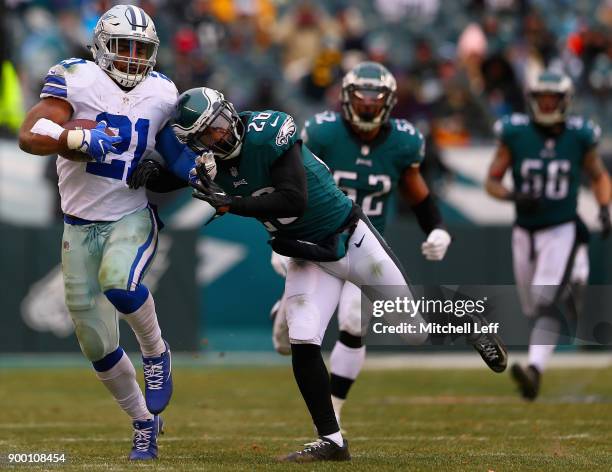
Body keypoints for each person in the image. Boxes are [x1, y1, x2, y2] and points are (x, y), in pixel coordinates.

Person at [130, 86, 507, 462]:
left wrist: (234, 203)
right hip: (307, 256)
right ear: (195, 142)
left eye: (221, 124)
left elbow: (295, 198)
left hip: (350, 237)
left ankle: (462, 320)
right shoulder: (207, 162)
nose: (220, 134)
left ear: (230, 112)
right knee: (304, 337)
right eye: (207, 134)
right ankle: (333, 440)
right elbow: (175, 177)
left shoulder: (267, 133)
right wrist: (153, 174)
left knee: (414, 332)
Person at [18, 5, 198, 460]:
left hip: (130, 215)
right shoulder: (76, 78)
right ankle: (143, 423)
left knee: (120, 283)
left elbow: (177, 156)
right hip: (78, 225)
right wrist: (71, 140)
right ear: (101, 45)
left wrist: (187, 172)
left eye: (141, 49)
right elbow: (30, 134)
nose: (133, 56)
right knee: (96, 343)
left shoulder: (162, 91)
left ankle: (156, 354)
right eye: (124, 46)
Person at [269, 61, 457, 428]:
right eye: (362, 99)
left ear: (388, 103)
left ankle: (334, 407)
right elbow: (291, 187)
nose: (368, 106)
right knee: (287, 341)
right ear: (346, 98)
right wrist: (278, 242)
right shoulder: (323, 132)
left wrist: (437, 227)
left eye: (376, 100)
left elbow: (417, 195)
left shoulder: (404, 142)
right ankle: (284, 312)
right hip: (316, 239)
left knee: (355, 321)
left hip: (363, 243)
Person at [485, 70, 611, 400]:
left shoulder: (579, 136)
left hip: (561, 227)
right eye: (541, 98)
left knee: (545, 303)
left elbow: (599, 176)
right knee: (533, 307)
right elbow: (492, 181)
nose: (546, 103)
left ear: (565, 101)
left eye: (552, 98)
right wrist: (513, 196)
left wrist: (604, 207)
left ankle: (534, 370)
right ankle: (570, 293)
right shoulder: (516, 133)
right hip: (524, 231)